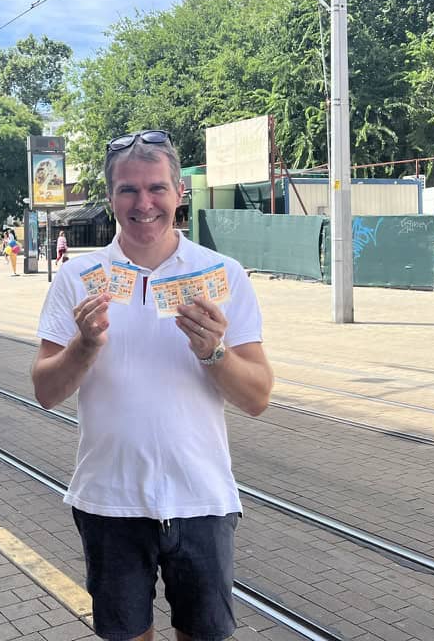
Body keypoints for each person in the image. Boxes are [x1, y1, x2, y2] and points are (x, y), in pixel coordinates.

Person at [31, 130, 274, 641]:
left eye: (156, 188)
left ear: (179, 192)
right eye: (128, 190)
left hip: (201, 499)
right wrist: (85, 346)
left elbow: (257, 397)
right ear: (110, 196)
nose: (144, 204)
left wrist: (214, 352)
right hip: (110, 501)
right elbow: (46, 392)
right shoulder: (78, 276)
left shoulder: (221, 274)